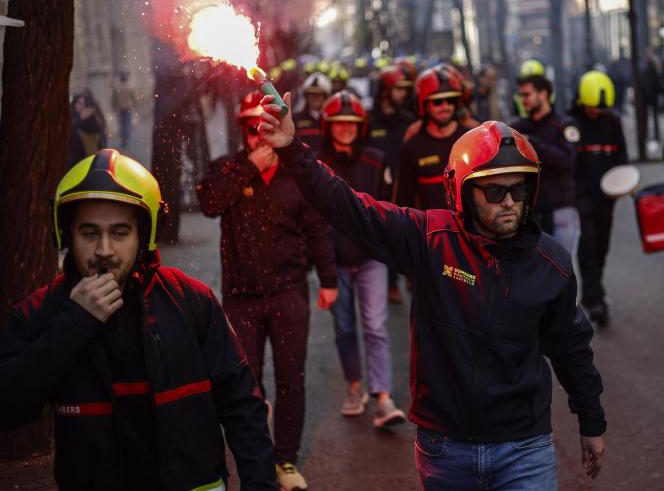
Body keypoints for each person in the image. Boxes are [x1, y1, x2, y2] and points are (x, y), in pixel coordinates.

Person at [259, 99, 607, 489]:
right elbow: (349, 208)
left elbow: (572, 348)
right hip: (445, 447)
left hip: (524, 447)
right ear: (463, 190)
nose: (508, 201)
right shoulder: (429, 239)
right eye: (493, 191)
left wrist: (591, 421)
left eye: (517, 188)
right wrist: (291, 149)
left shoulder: (552, 262)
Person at [0, 149, 276, 490]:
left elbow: (242, 407)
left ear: (143, 235)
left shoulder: (192, 301)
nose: (104, 250)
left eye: (119, 233)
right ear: (67, 234)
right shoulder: (42, 312)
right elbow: (8, 407)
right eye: (89, 233)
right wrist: (72, 325)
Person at [197, 91, 337, 491]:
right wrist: (248, 170)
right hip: (241, 296)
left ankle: (286, 461)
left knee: (292, 378)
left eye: (266, 128)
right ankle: (257, 463)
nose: (260, 136)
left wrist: (328, 280)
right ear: (243, 131)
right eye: (252, 129)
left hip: (289, 293)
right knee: (246, 381)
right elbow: (209, 203)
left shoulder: (297, 173)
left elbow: (317, 229)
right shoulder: (227, 168)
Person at [319, 91, 407, 429]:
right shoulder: (319, 163)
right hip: (335, 260)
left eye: (351, 124)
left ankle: (383, 397)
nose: (345, 130)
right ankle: (354, 386)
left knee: (375, 326)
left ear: (361, 127)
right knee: (344, 327)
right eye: (339, 124)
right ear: (330, 127)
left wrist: (389, 248)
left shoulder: (375, 159)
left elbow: (389, 206)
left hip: (371, 258)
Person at [570, 71, 628, 326]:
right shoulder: (571, 124)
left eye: (600, 108)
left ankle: (594, 290)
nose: (596, 112)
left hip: (607, 197)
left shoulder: (612, 122)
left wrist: (624, 182)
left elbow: (621, 157)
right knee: (588, 248)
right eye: (592, 108)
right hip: (581, 197)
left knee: (601, 247)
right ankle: (595, 300)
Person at [510, 74, 581, 255]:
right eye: (521, 95)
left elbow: (566, 161)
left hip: (560, 210)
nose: (522, 100)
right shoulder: (518, 127)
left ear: (543, 94)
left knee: (562, 272)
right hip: (529, 214)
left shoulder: (564, 125)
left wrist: (531, 143)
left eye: (527, 95)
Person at [368, 65, 417, 304]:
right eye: (398, 89)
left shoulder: (409, 121)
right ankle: (390, 283)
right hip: (378, 191)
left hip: (405, 187)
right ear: (385, 91)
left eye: (405, 90)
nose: (403, 94)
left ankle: (410, 273)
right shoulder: (369, 121)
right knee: (385, 237)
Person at [393, 64, 470, 210]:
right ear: (425, 105)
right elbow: (403, 202)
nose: (445, 107)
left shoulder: (470, 140)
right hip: (429, 231)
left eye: (450, 100)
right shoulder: (411, 147)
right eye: (437, 102)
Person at [66, 89, 107, 170]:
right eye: (79, 103)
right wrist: (80, 119)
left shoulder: (92, 120)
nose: (82, 106)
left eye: (84, 103)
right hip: (74, 164)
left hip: (91, 162)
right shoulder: (71, 118)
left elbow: (100, 132)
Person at [294, 71, 332, 152]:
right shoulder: (294, 120)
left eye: (318, 94)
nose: (315, 97)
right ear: (306, 96)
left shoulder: (332, 119)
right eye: (311, 93)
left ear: (325, 96)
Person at [111, 72, 138, 148]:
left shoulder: (117, 89)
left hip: (120, 108)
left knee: (122, 124)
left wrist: (113, 107)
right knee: (127, 124)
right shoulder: (129, 88)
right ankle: (126, 140)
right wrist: (136, 106)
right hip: (128, 107)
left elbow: (114, 99)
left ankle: (123, 139)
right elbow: (134, 98)